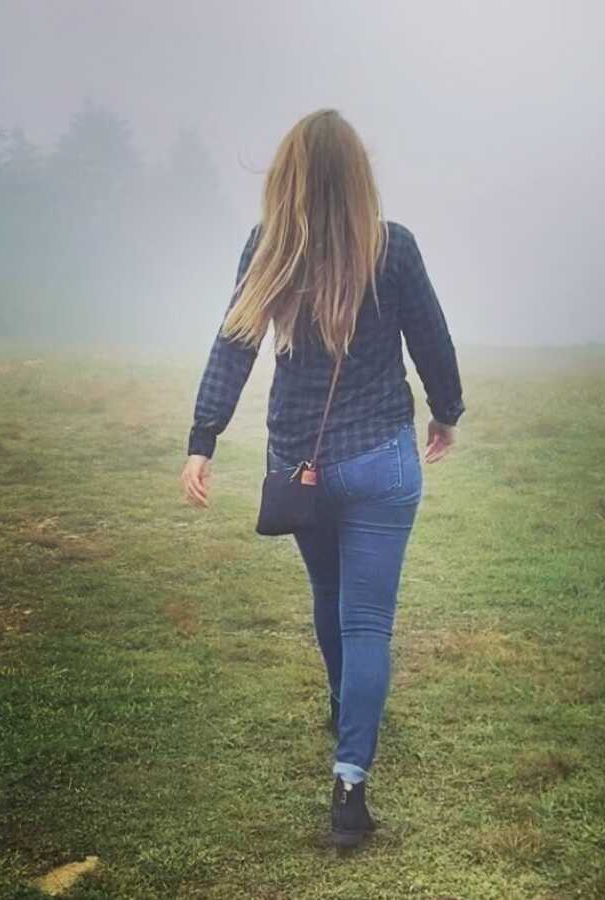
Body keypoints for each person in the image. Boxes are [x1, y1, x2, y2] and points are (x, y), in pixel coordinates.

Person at [180, 109, 465, 848]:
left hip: (298, 465)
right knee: (367, 621)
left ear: (290, 176)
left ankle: (350, 709)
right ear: (359, 175)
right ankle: (350, 779)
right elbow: (432, 340)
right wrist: (447, 412)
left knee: (330, 599)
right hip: (380, 460)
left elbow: (233, 344)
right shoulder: (391, 247)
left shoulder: (268, 247)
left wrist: (202, 439)